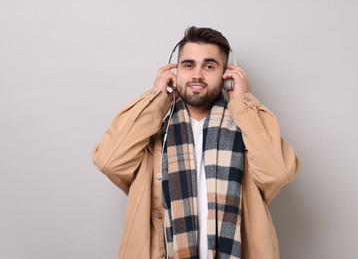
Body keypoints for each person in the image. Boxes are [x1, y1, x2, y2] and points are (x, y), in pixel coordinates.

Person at [92, 26, 300, 259]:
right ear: (175, 70)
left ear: (227, 74)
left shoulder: (247, 131)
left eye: (209, 66)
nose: (197, 75)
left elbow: (279, 172)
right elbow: (109, 161)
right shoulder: (151, 134)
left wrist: (244, 104)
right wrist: (155, 99)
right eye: (188, 65)